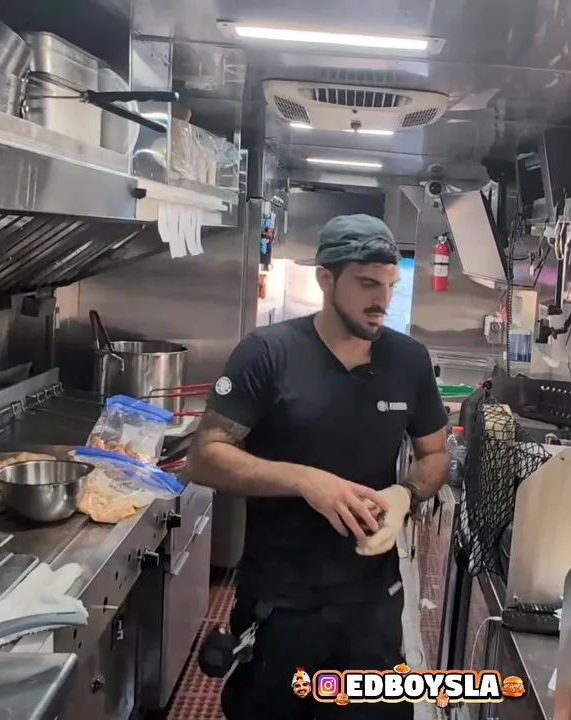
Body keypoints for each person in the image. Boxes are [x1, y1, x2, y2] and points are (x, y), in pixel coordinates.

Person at [189, 214, 451, 719]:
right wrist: (306, 480)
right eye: (367, 283)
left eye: (390, 285)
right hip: (281, 601)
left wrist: (404, 495)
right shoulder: (268, 354)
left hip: (372, 602)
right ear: (326, 279)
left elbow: (435, 455)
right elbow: (206, 456)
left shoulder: (409, 361)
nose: (382, 300)